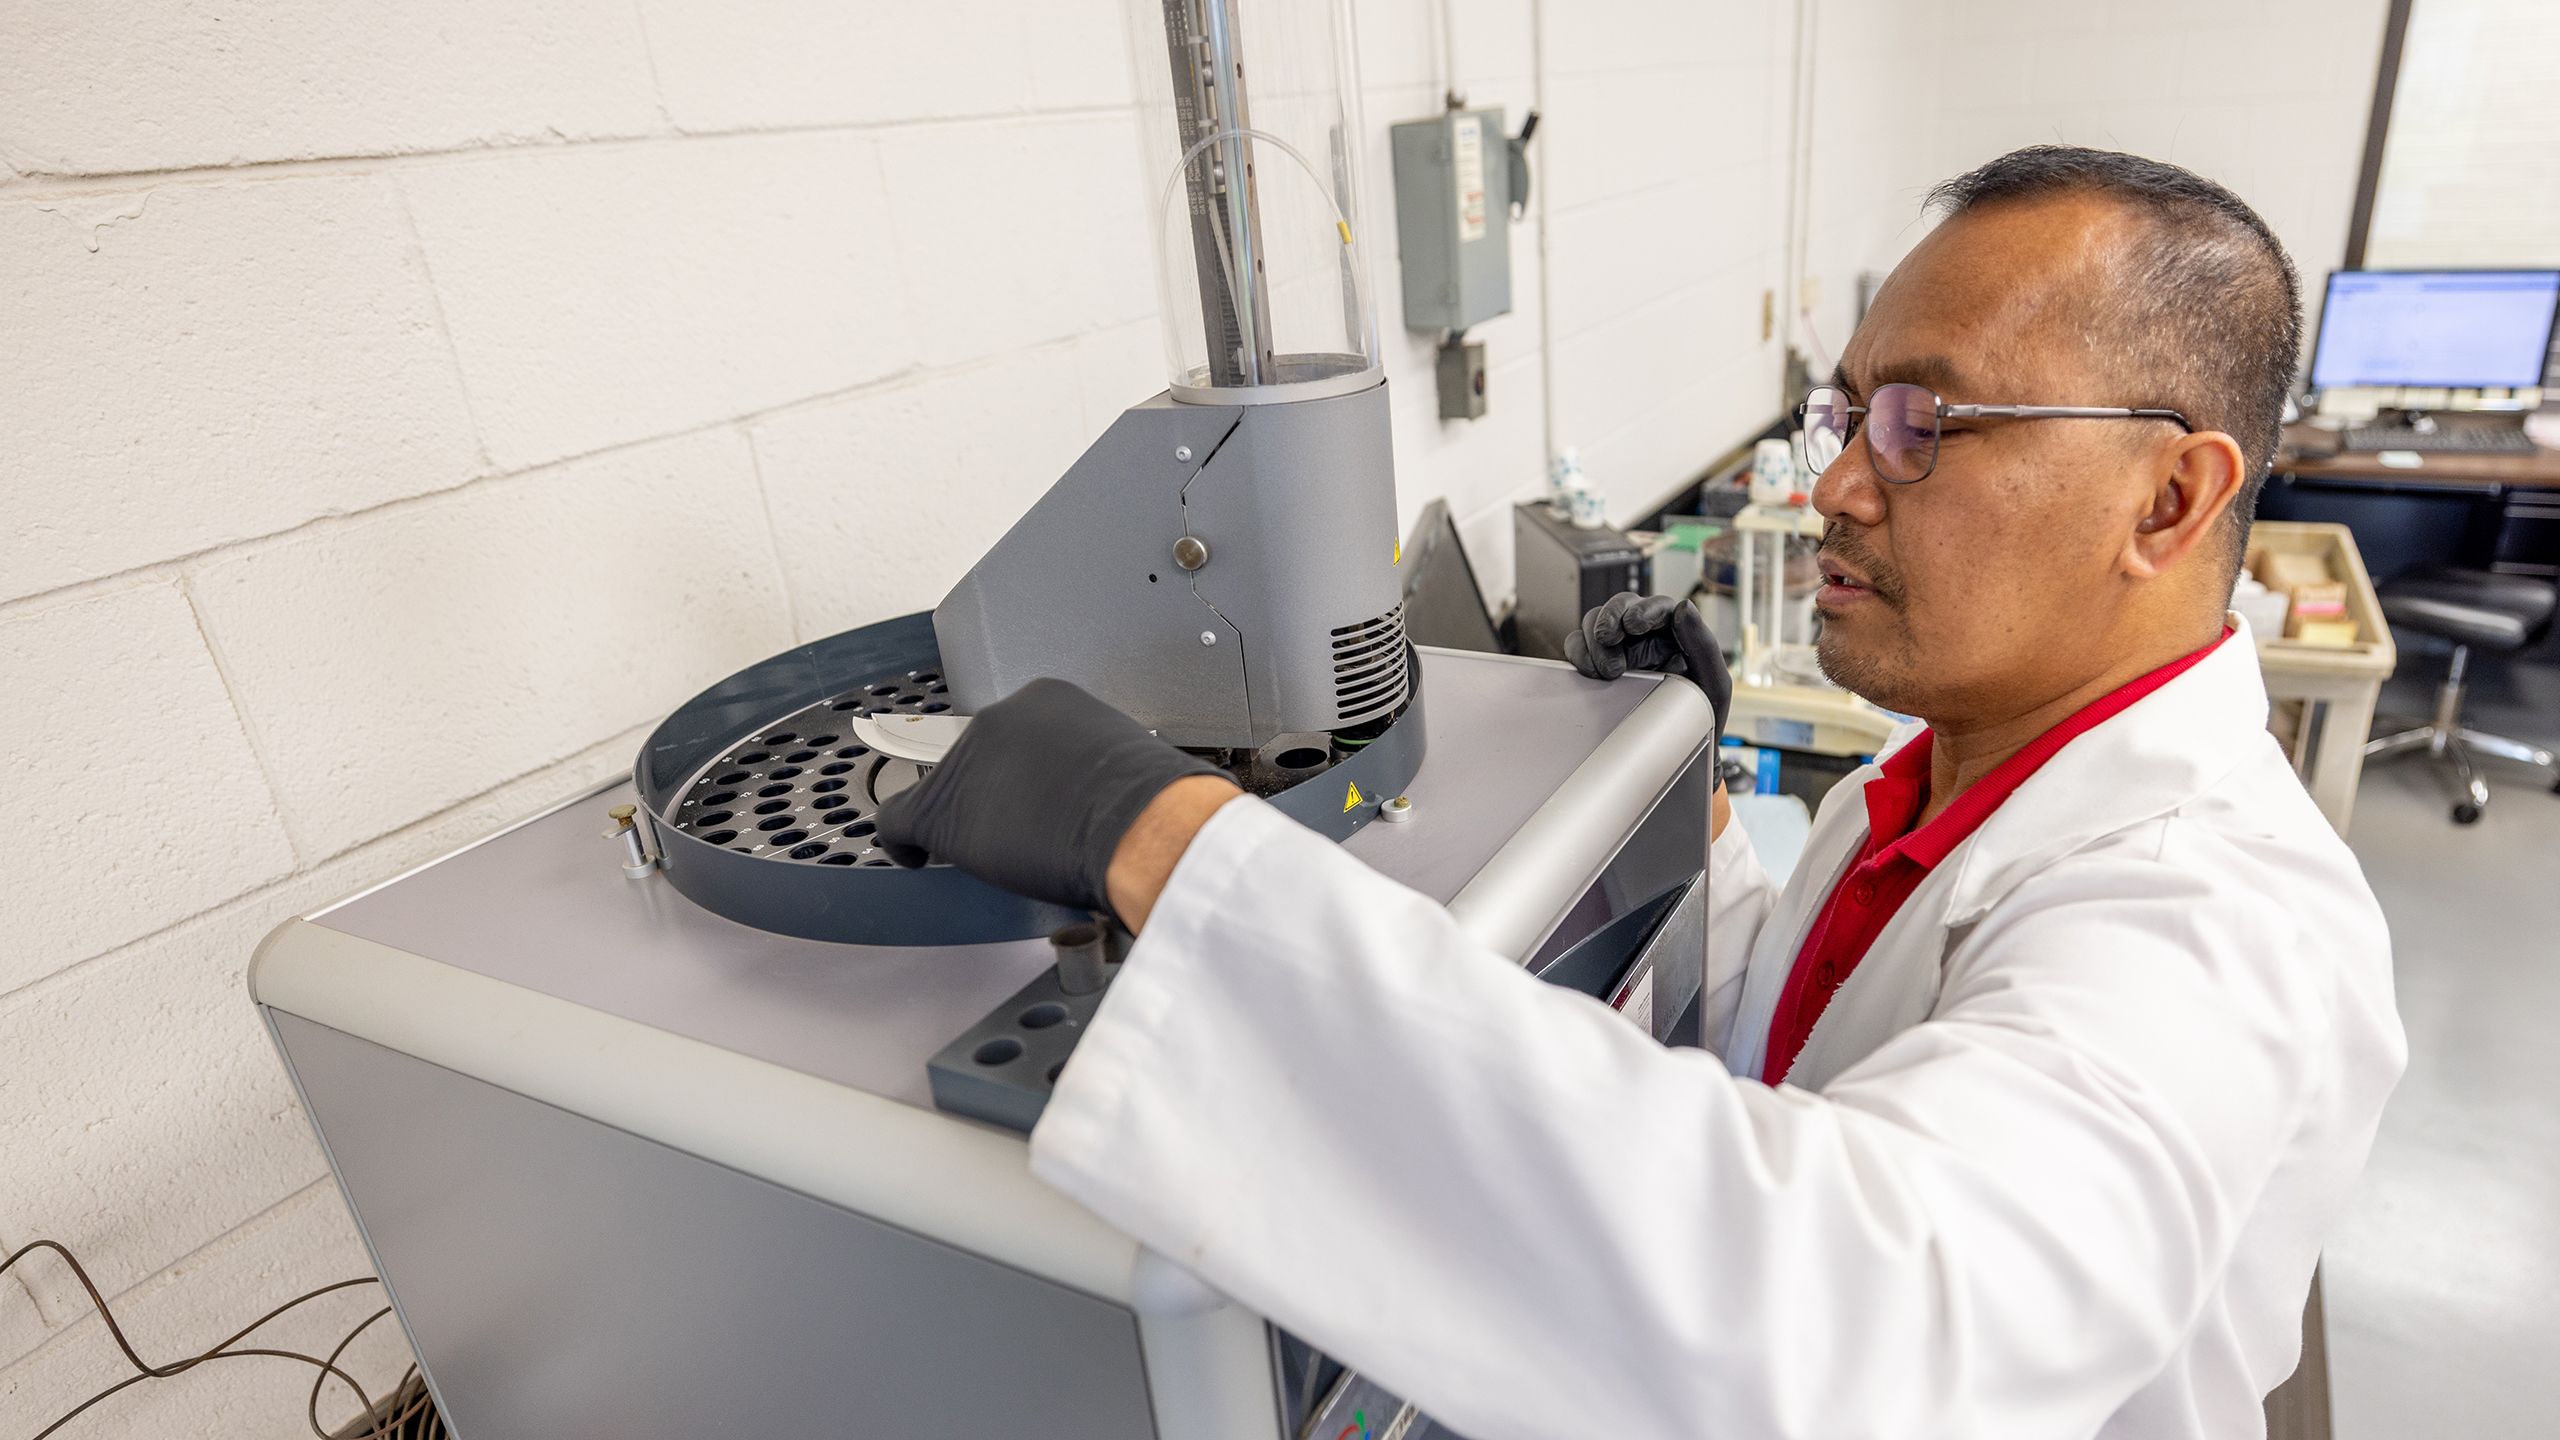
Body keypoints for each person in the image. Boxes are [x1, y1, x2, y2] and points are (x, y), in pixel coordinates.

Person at [877, 147, 2406, 1440]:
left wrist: (1157, 836)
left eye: (1925, 427)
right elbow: (1789, 1046)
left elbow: (1858, 1329)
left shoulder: (2215, 921)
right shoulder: (1968, 761)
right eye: (1851, 412)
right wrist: (1698, 792)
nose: (1839, 486)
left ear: (2170, 497)